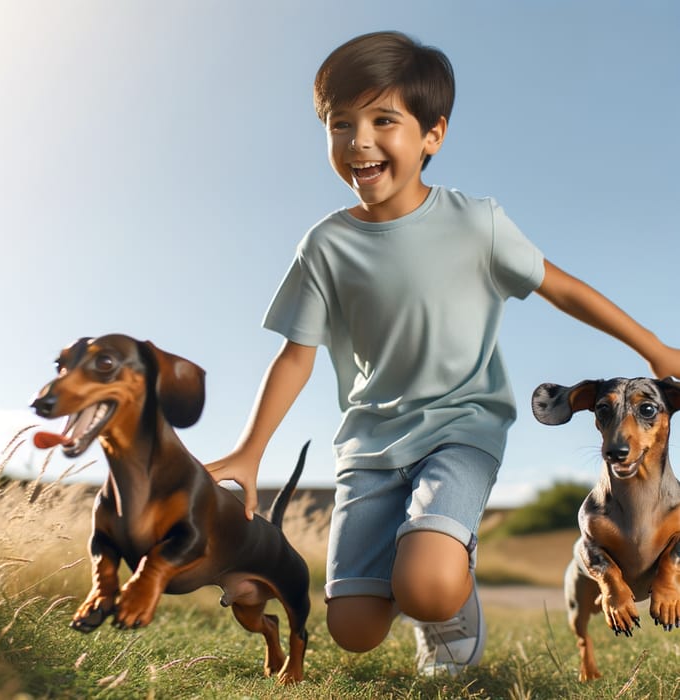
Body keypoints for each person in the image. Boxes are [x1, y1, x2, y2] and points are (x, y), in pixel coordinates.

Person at [207, 30, 680, 676]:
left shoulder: (475, 223)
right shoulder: (325, 246)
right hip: (370, 446)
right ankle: (426, 562)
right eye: (340, 123)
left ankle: (446, 584)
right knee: (352, 629)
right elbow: (296, 355)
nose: (359, 141)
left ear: (433, 134)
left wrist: (651, 347)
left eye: (383, 120)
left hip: (460, 430)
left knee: (428, 586)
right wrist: (251, 447)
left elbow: (562, 288)